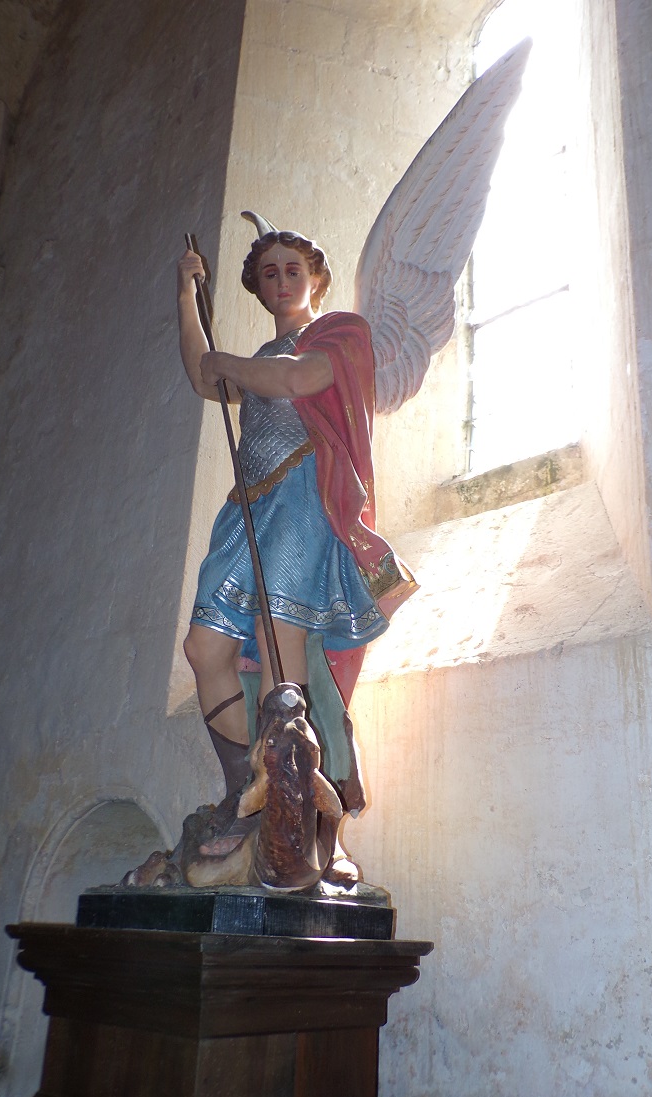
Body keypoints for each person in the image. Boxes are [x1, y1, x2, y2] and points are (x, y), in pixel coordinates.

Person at [177, 223, 416, 859]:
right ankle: (244, 787)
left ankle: (284, 808)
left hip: (305, 492)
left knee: (278, 646)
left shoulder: (341, 332)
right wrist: (186, 296)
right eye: (269, 273)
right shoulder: (258, 354)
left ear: (314, 279)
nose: (281, 281)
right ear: (258, 288)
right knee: (204, 647)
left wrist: (229, 365)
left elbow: (297, 380)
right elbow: (204, 378)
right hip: (248, 506)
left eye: (292, 270)